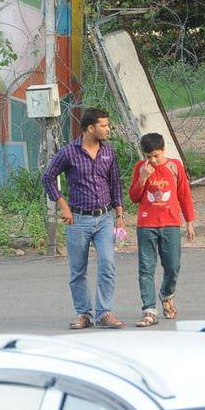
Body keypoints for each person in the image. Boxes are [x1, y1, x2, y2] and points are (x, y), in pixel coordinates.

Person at [42, 107, 126, 330]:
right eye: (104, 125)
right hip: (78, 219)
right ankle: (83, 313)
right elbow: (48, 177)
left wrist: (119, 214)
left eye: (108, 125)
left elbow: (115, 183)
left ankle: (105, 312)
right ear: (91, 128)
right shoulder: (69, 152)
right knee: (78, 269)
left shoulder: (108, 152)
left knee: (107, 263)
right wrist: (63, 206)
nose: (108, 129)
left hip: (105, 217)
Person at [127, 132, 195, 327]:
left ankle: (166, 294)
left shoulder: (175, 166)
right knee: (146, 268)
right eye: (148, 156)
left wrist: (189, 221)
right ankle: (149, 309)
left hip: (170, 224)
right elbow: (133, 197)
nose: (153, 160)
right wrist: (142, 178)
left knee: (172, 266)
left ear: (164, 150)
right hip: (146, 225)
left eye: (156, 155)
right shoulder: (141, 168)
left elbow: (184, 194)